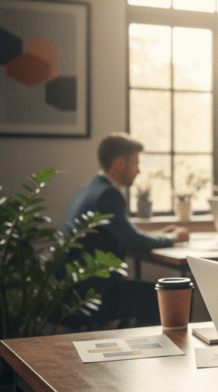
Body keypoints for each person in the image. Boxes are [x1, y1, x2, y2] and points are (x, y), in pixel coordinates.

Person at [56, 132, 189, 327]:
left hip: (72, 289)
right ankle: (141, 351)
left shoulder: (88, 189)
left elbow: (127, 234)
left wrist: (160, 235)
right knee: (162, 300)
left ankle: (127, 341)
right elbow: (133, 240)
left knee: (148, 296)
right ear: (120, 164)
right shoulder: (108, 195)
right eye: (135, 163)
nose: (138, 170)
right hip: (94, 291)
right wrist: (173, 238)